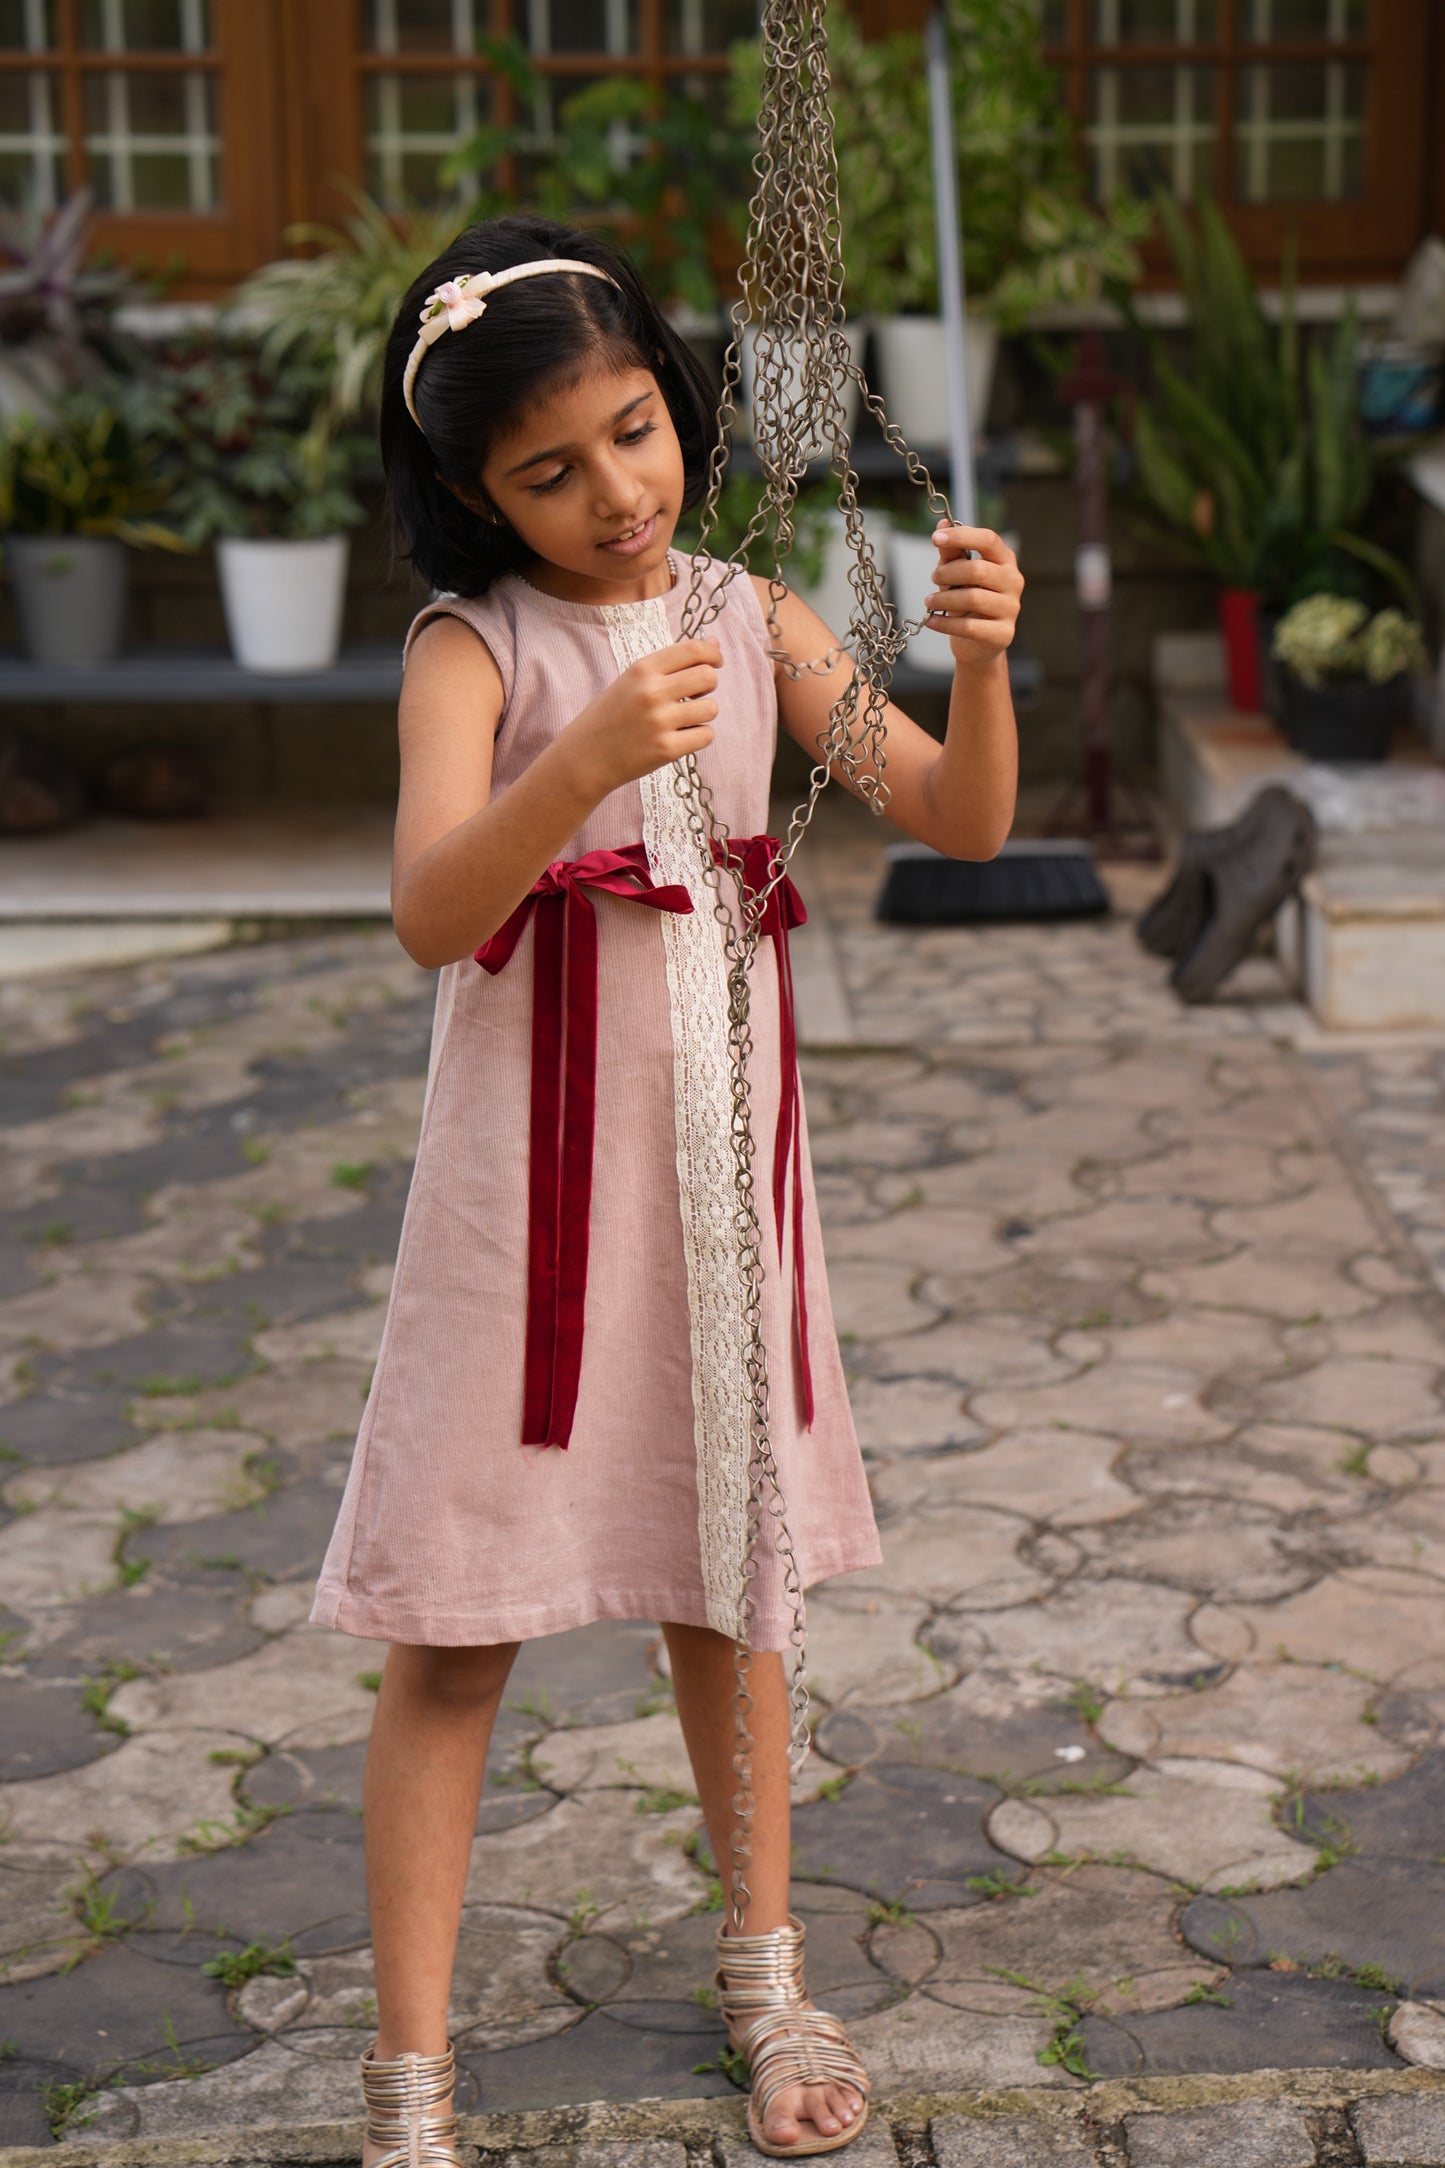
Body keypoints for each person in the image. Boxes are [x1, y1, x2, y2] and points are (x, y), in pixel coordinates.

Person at [311, 211, 1021, 2164]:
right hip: (519, 1214)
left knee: (736, 1578)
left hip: (721, 1187)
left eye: (636, 429)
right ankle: (409, 2083)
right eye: (549, 470)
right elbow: (429, 910)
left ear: (678, 404)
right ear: (470, 491)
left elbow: (960, 812)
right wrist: (584, 761)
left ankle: (771, 1972)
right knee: (455, 1623)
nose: (615, 491)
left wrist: (983, 654)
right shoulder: (474, 649)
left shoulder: (753, 607)